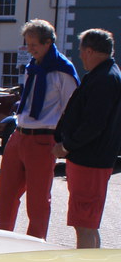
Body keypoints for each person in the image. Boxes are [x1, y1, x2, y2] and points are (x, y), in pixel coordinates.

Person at [0, 19, 79, 239]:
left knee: (38, 200)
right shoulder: (32, 67)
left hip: (43, 139)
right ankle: (2, 241)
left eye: (34, 45)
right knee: (6, 195)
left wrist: (63, 141)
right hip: (19, 134)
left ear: (48, 42)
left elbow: (72, 109)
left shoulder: (63, 70)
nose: (30, 49)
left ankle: (35, 245)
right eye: (28, 44)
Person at [51, 29, 121, 248]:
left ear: (90, 51)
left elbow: (94, 124)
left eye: (81, 51)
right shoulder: (107, 74)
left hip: (89, 161)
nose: (80, 56)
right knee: (88, 223)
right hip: (94, 159)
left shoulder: (104, 78)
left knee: (84, 225)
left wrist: (66, 146)